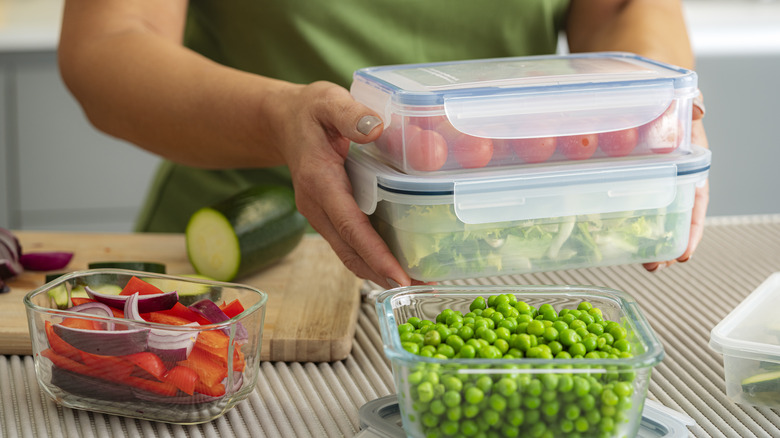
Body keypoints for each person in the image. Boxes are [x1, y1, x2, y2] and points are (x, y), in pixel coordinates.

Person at [57, 0, 709, 289]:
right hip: (256, 262)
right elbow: (108, 43)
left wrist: (649, 105)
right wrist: (280, 116)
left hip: (511, 247)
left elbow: (628, 7)